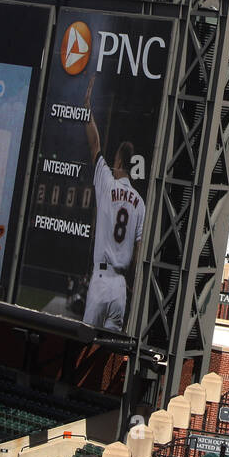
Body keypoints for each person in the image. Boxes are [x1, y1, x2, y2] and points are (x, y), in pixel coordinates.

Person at [83, 75, 146, 333]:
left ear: (118, 163)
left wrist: (87, 107)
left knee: (83, 342)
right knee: (108, 352)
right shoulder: (140, 203)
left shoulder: (107, 183)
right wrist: (132, 283)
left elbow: (95, 144)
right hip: (121, 286)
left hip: (101, 279)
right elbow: (139, 250)